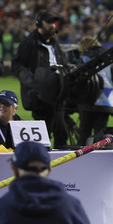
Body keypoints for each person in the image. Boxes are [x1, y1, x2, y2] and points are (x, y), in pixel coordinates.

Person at [12, 10, 72, 149]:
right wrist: (32, 82)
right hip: (41, 96)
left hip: (58, 94)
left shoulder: (54, 44)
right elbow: (17, 65)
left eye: (53, 22)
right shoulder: (30, 43)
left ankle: (61, 164)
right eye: (49, 22)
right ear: (39, 24)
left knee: (61, 134)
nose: (53, 25)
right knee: (45, 135)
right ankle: (43, 163)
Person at [76, 36, 113, 146]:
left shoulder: (83, 59)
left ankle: (79, 161)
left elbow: (77, 81)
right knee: (100, 136)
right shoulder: (109, 59)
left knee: (84, 134)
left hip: (87, 101)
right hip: (106, 101)